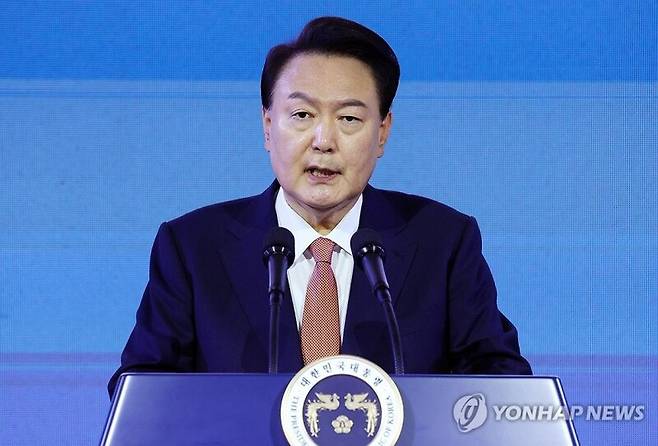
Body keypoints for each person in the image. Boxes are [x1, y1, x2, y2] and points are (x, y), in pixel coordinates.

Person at [108, 16, 531, 398]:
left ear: (383, 132)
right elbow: (141, 391)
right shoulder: (192, 247)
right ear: (268, 126)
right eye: (302, 115)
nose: (324, 141)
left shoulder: (443, 241)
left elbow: (501, 383)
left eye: (349, 119)